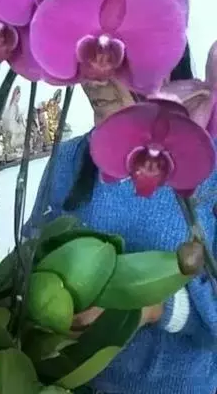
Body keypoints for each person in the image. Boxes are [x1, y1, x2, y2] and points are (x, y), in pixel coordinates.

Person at [23, 45, 217, 394]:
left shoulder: (208, 171)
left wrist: (151, 307)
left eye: (114, 63)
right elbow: (27, 259)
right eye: (87, 61)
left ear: (163, 65)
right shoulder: (68, 160)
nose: (94, 80)